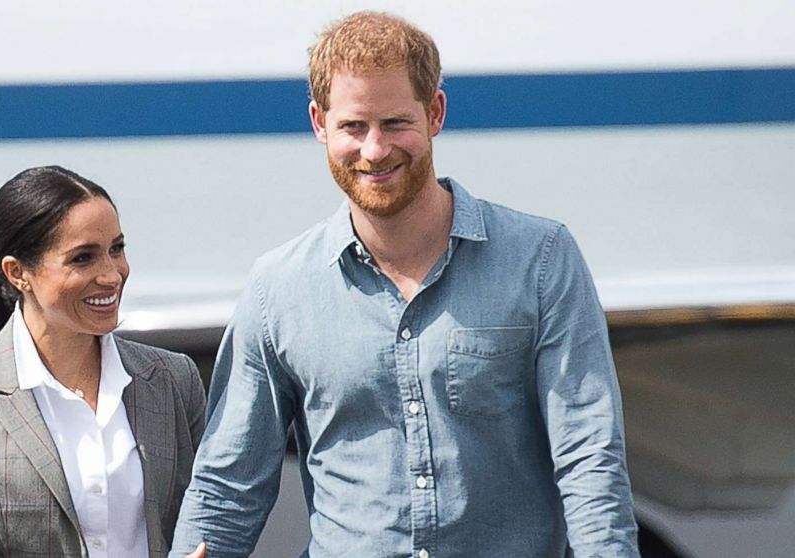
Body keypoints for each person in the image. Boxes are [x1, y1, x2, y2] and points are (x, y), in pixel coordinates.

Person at [171, 11, 639, 558]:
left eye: (395, 124)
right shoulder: (278, 290)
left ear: (435, 112)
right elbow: (227, 486)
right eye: (353, 127)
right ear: (319, 123)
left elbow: (590, 457)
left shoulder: (540, 259)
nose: (374, 150)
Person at [0, 166, 207, 558]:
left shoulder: (173, 379)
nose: (112, 275)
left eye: (117, 248)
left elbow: (208, 522)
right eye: (83, 258)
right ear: (18, 273)